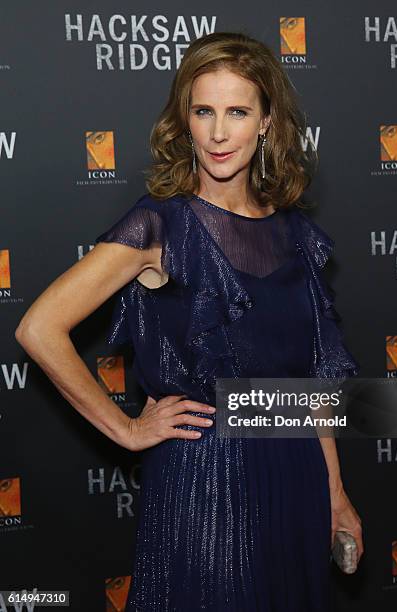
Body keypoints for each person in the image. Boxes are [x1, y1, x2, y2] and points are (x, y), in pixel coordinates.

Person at [15, 31, 363, 612]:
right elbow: (39, 327)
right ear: (185, 119)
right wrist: (127, 430)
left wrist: (335, 493)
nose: (219, 132)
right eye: (204, 111)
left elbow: (310, 384)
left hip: (295, 469)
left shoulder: (295, 232)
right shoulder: (160, 224)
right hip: (205, 478)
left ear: (267, 122)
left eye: (237, 111)